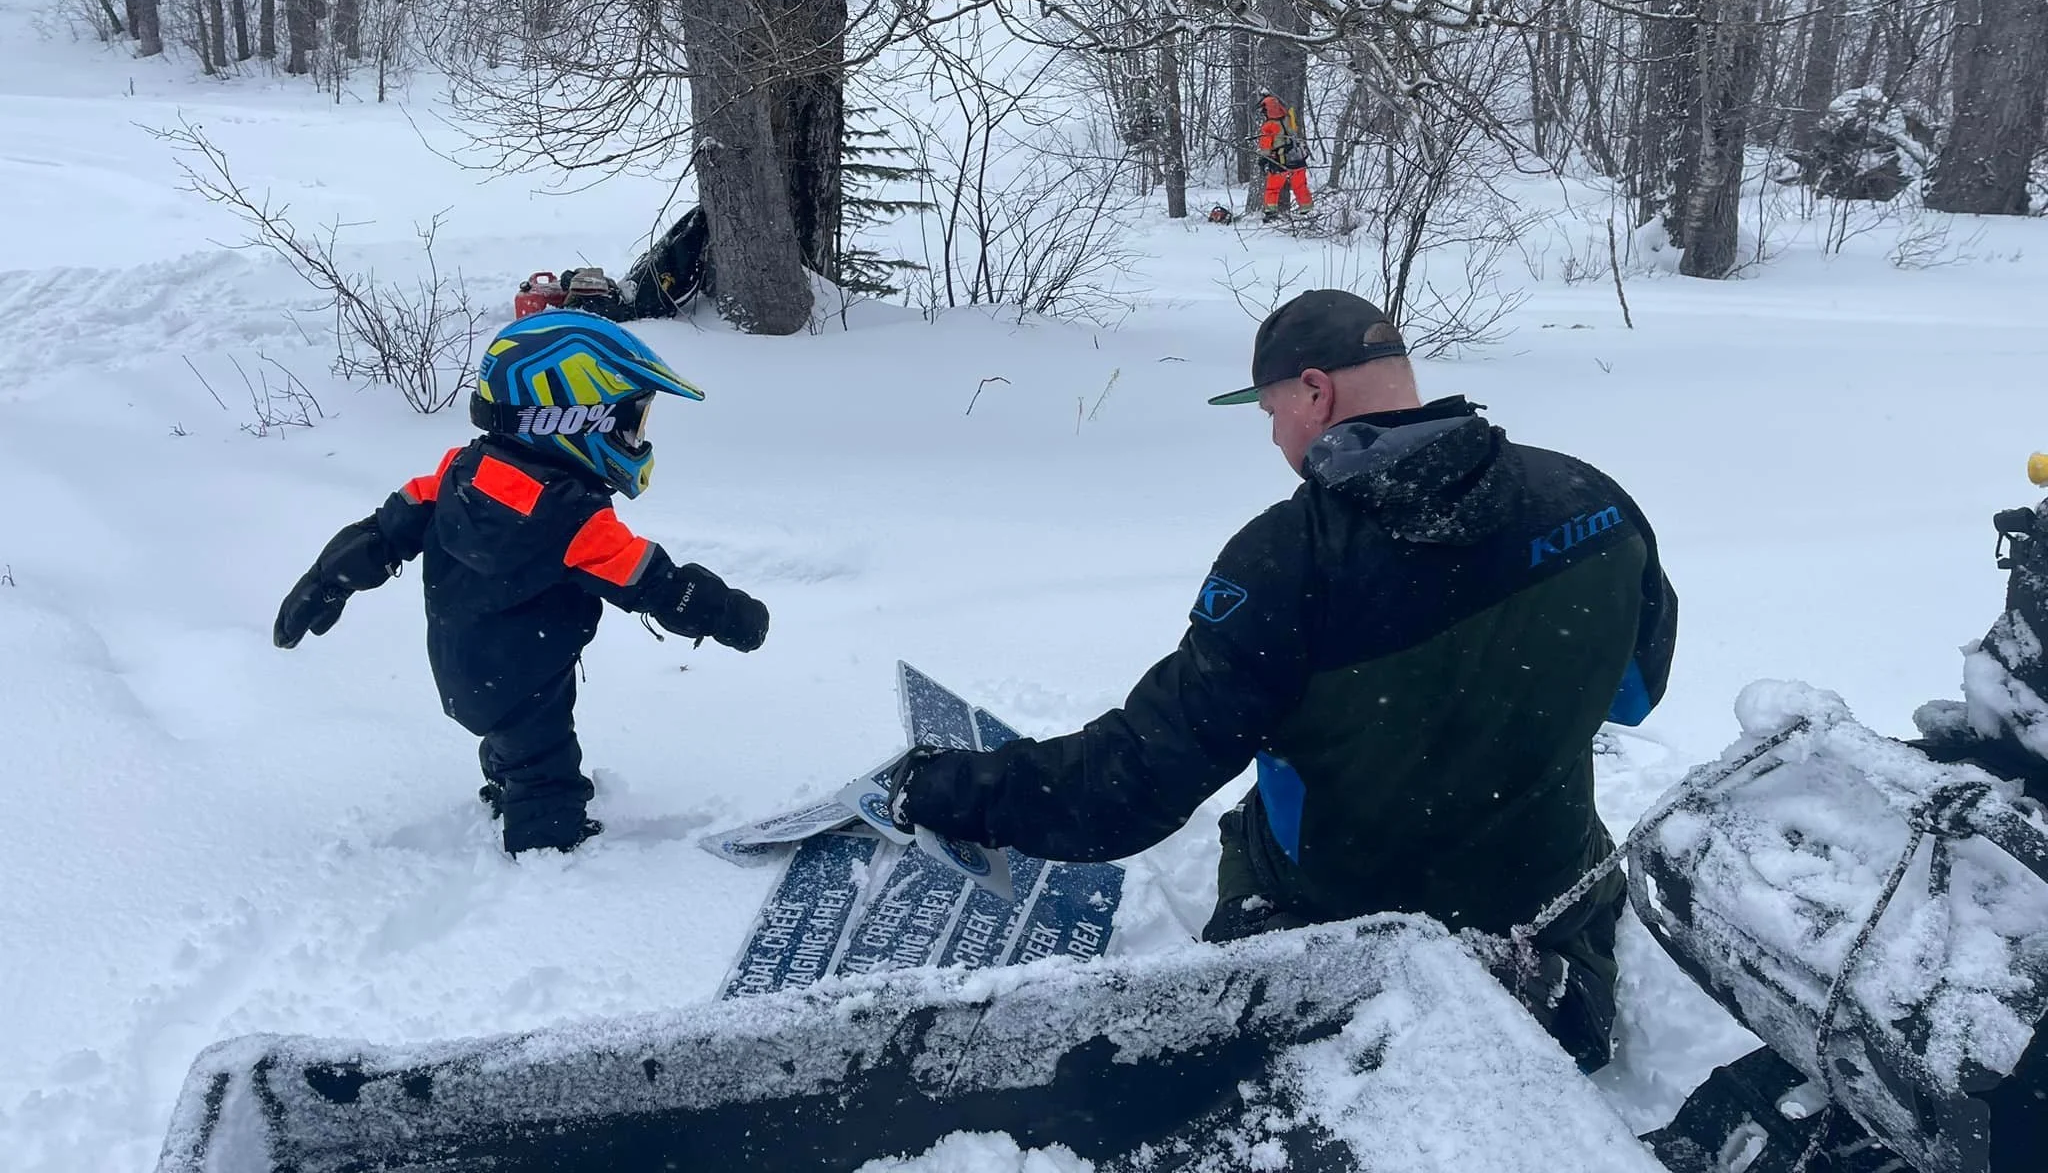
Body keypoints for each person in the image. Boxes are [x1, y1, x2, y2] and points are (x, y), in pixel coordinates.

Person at [888, 289, 1675, 1067]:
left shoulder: (1292, 559)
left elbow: (1129, 787)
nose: (1273, 434)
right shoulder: (1589, 498)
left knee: (1258, 834)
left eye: (1271, 411)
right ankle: (1531, 986)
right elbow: (1636, 693)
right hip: (1547, 903)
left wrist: (952, 793)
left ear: (1315, 391)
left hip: (1342, 936)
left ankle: (1354, 997)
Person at [272, 311, 771, 856]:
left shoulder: (459, 472)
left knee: (513, 742)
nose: (636, 439)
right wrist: (727, 613)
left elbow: (382, 532)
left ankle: (505, 785)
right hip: (526, 676)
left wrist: (326, 580)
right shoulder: (572, 518)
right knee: (544, 764)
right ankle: (545, 849)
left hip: (466, 668)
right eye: (628, 425)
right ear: (571, 419)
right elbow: (653, 581)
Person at [1255, 94, 1312, 217]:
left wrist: (1263, 159)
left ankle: (1270, 211)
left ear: (1268, 110)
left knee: (1273, 188)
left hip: (1280, 161)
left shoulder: (1268, 126)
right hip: (1297, 157)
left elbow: (1265, 146)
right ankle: (1306, 208)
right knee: (1300, 186)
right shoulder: (1289, 119)